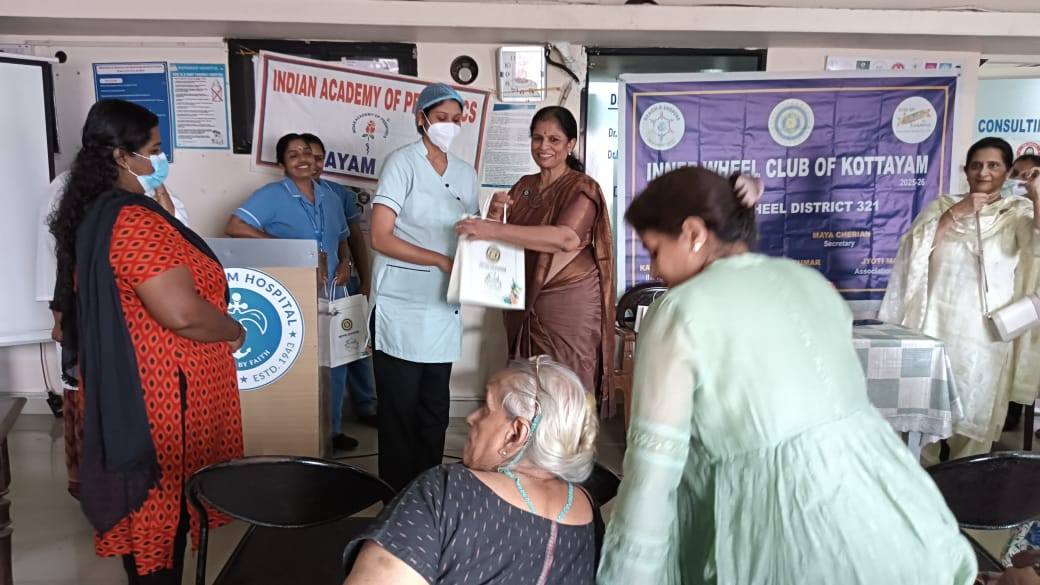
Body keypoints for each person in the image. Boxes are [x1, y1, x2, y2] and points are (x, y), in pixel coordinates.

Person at [597, 167, 976, 585]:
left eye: (653, 250)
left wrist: (627, 574)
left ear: (693, 233)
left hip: (788, 527)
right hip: (893, 516)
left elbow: (653, 467)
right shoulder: (808, 281)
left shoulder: (678, 309)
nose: (654, 270)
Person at [48, 99, 245, 584]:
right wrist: (234, 330)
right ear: (122, 156)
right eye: (154, 149)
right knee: (160, 514)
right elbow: (181, 313)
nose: (161, 158)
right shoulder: (132, 221)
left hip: (155, 385)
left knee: (164, 516)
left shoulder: (110, 211)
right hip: (162, 397)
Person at [343, 357, 599, 585]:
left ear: (516, 434)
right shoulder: (587, 507)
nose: (471, 418)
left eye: (486, 408)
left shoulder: (445, 491)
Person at [879, 137, 1040, 462]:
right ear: (965, 171)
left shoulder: (1016, 213)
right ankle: (922, 484)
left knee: (972, 425)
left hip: (986, 336)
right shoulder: (941, 206)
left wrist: (1037, 197)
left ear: (1008, 171)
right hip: (934, 327)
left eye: (993, 165)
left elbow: (1036, 246)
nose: (984, 172)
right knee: (923, 421)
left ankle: (966, 489)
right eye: (976, 165)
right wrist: (956, 213)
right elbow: (912, 253)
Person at [40, 169, 192, 490]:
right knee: (100, 403)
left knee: (140, 404)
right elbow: (61, 265)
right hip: (95, 319)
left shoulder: (152, 192)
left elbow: (181, 238)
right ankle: (104, 488)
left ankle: (146, 486)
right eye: (150, 149)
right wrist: (59, 318)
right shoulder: (74, 196)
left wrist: (159, 191)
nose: (154, 159)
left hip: (144, 326)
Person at [456, 106, 615, 402]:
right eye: (537, 138)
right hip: (523, 299)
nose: (544, 147)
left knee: (567, 387)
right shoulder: (525, 186)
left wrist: (493, 230)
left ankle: (570, 435)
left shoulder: (582, 187)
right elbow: (502, 242)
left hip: (568, 304)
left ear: (570, 144)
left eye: (554, 140)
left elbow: (565, 238)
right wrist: (494, 215)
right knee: (526, 388)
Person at [368, 83, 480, 491]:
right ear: (422, 119)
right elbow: (380, 236)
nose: (449, 125)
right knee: (400, 411)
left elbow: (473, 234)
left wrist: (497, 218)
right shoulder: (402, 163)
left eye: (456, 119)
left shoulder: (465, 173)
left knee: (434, 410)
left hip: (442, 306)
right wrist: (438, 259)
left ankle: (428, 494)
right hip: (401, 304)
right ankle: (395, 499)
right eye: (441, 118)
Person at [225, 133, 360, 452]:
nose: (303, 159)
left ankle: (332, 429)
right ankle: (301, 431)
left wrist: (345, 261)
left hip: (333, 290)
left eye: (307, 153)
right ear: (281, 163)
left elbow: (342, 237)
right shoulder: (272, 195)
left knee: (336, 363)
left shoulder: (330, 197)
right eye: (293, 154)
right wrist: (289, 249)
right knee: (303, 362)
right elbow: (235, 227)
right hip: (295, 293)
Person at [301, 133, 377, 427]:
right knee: (327, 355)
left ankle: (367, 406)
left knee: (355, 346)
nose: (313, 163)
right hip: (308, 286)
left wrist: (365, 281)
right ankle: (328, 425)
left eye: (319, 158)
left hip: (344, 282)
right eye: (307, 156)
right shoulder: (281, 196)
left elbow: (353, 239)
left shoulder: (337, 194)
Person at [1003, 152, 1040, 432]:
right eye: (1015, 173)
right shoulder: (1008, 209)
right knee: (1011, 352)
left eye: (1026, 175)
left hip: (1035, 295)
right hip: (1012, 294)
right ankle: (1008, 415)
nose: (1018, 180)